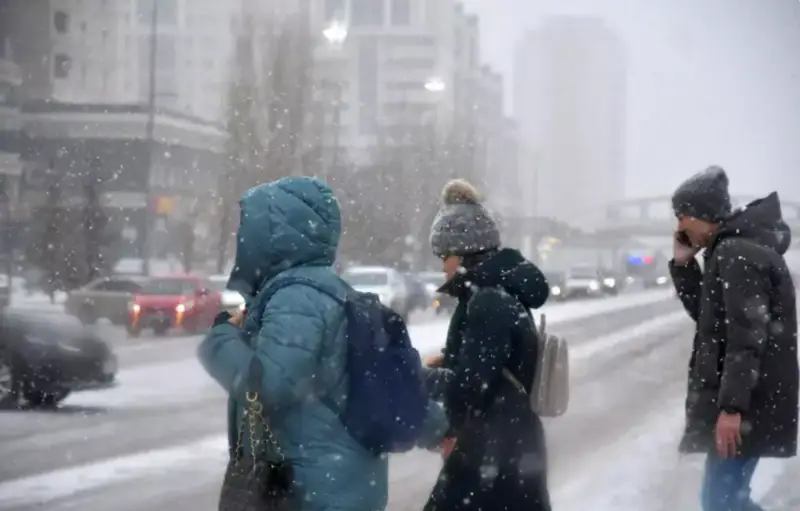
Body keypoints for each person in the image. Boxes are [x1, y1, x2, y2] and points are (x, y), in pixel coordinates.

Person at [198, 176, 401, 511]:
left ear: (275, 235)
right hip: (337, 484)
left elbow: (268, 388)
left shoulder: (297, 297)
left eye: (250, 227)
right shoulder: (326, 290)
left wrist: (220, 338)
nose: (241, 237)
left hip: (307, 492)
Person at [669, 166, 799, 511]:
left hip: (750, 403)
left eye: (683, 216)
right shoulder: (734, 250)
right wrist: (684, 267)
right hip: (754, 399)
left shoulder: (735, 254)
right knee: (725, 500)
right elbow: (713, 319)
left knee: (721, 502)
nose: (680, 227)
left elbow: (746, 337)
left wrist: (732, 408)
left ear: (701, 215)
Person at [422, 179, 552, 511]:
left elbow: (472, 384)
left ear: (464, 253)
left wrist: (422, 378)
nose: (442, 265)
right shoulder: (497, 293)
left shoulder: (487, 302)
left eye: (444, 255)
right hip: (509, 441)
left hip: (493, 448)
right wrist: (452, 359)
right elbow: (490, 363)